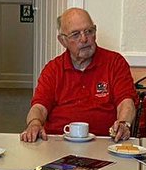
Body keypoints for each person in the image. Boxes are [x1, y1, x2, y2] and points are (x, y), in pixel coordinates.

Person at [20, 8, 136, 143]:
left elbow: (126, 102)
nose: (84, 39)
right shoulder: (53, 69)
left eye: (89, 31)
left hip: (105, 143)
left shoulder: (115, 62)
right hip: (58, 143)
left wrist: (123, 123)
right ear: (62, 41)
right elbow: (39, 107)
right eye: (75, 35)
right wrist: (34, 123)